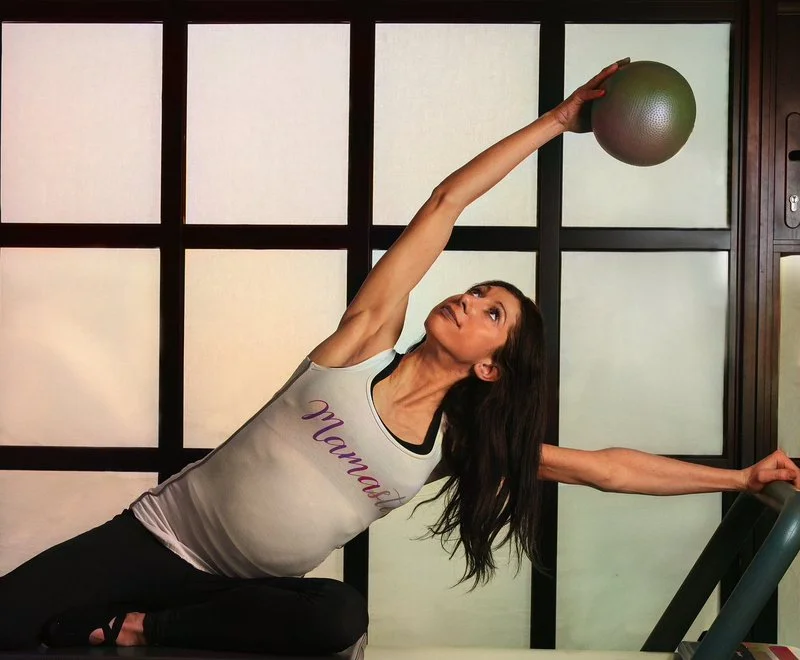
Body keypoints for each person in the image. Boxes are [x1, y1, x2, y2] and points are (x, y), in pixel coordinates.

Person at [1, 58, 798, 656]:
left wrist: (737, 479)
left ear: (492, 366)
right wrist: (558, 121)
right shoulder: (362, 343)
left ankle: (143, 633)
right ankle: (103, 621)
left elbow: (605, 468)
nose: (467, 301)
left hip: (234, 598)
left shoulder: (454, 444)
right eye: (477, 290)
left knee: (337, 616)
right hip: (156, 538)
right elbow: (445, 204)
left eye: (492, 314)